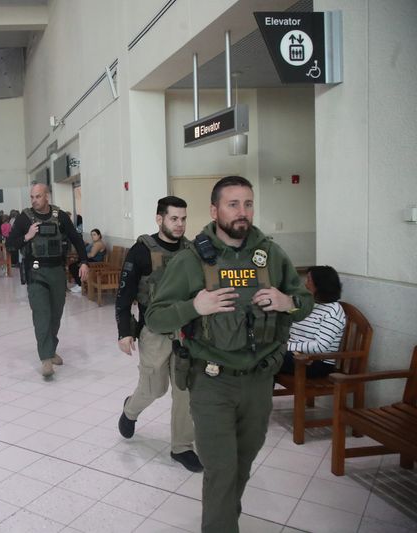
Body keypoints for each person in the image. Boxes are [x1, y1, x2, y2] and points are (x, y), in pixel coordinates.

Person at [147, 176, 313, 533]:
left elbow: (305, 301)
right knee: (222, 469)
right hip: (211, 383)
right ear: (214, 210)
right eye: (233, 204)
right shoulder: (192, 260)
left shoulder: (269, 254)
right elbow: (155, 317)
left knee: (242, 461)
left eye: (248, 203)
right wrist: (194, 305)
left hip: (258, 382)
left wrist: (288, 302)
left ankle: (224, 517)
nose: (243, 212)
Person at [114, 196, 202, 472]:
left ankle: (182, 447)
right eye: (174, 218)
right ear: (159, 218)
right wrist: (124, 332)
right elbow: (124, 294)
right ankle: (130, 410)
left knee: (184, 391)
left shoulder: (192, 251)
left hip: (187, 330)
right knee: (155, 388)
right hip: (154, 330)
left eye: (184, 218)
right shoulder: (141, 251)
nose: (180, 224)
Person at [6, 183, 89, 377]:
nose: (34, 200)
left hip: (57, 272)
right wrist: (27, 236)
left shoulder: (59, 216)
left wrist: (84, 261)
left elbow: (76, 238)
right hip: (36, 273)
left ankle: (51, 350)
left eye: (38, 196)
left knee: (56, 314)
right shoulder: (24, 217)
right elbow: (10, 244)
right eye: (32, 197)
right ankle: (45, 359)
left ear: (47, 197)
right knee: (42, 315)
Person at [278, 265, 346, 378]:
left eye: (309, 280)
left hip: (317, 363)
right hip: (296, 356)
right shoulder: (310, 304)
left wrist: (287, 347)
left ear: (320, 285)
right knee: (264, 355)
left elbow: (320, 346)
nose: (305, 284)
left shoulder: (333, 311)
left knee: (268, 358)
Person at [68, 228, 106, 293]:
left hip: (94, 263)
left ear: (99, 235)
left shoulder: (99, 244)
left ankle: (81, 285)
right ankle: (79, 283)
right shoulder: (94, 243)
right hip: (90, 261)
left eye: (94, 235)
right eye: (92, 235)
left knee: (74, 267)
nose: (93, 236)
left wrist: (83, 256)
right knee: (72, 266)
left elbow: (92, 255)